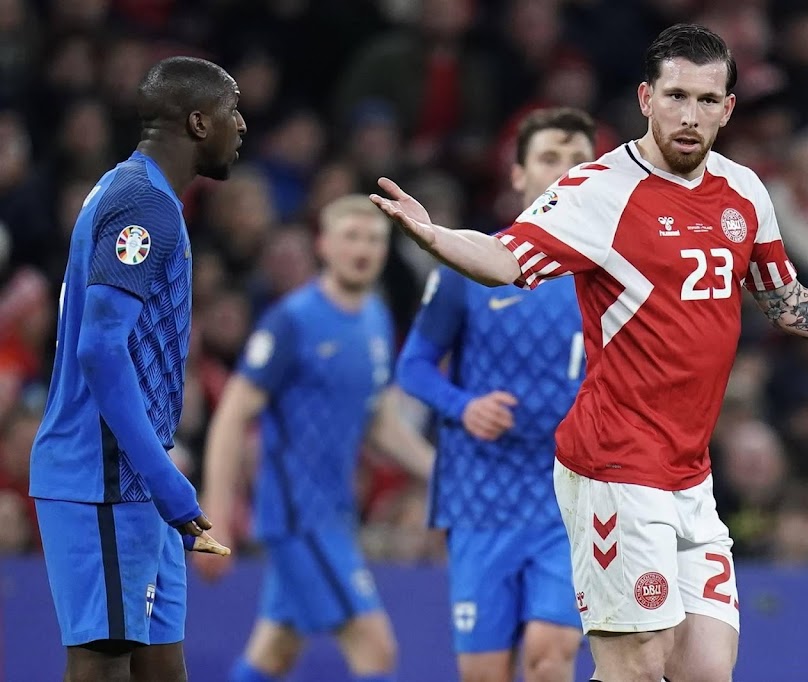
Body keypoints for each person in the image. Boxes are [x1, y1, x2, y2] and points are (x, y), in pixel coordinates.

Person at [370, 23, 808, 682]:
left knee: (707, 670)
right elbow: (505, 259)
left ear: (729, 109)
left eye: (708, 101)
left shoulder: (743, 192)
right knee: (637, 666)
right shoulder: (599, 190)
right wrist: (437, 237)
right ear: (647, 97)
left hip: (689, 474)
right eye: (676, 96)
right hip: (614, 464)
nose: (690, 115)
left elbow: (787, 303)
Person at [29, 56, 245, 682]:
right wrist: (166, 478)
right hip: (102, 473)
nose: (243, 126)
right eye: (234, 112)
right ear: (200, 122)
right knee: (102, 666)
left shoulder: (136, 193)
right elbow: (99, 348)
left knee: (160, 670)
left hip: (137, 481)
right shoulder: (142, 205)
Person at [195, 194, 435, 682]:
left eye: (373, 238)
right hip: (298, 516)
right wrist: (214, 512)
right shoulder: (293, 320)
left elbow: (379, 420)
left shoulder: (375, 319)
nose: (362, 248)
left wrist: (441, 470)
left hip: (335, 512)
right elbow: (232, 415)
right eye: (350, 236)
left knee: (275, 651)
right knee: (375, 648)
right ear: (324, 245)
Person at [396, 107, 594, 682]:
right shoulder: (469, 260)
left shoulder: (613, 271)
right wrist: (464, 406)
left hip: (571, 496)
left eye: (578, 160)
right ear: (517, 174)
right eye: (549, 158)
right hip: (482, 497)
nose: (563, 171)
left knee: (549, 656)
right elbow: (414, 367)